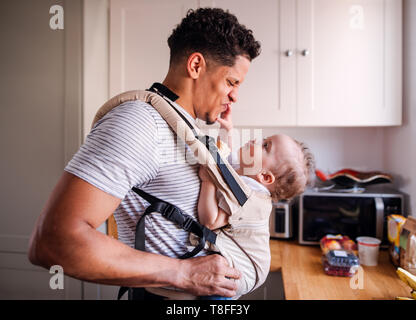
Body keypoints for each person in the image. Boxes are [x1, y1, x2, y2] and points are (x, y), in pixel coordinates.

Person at [28, 7, 261, 299]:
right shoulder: (140, 122)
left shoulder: (185, 130)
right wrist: (185, 273)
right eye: (231, 82)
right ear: (196, 65)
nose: (235, 96)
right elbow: (52, 241)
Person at [194, 114, 315, 300]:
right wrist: (227, 130)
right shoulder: (248, 175)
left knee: (212, 292)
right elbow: (223, 157)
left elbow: (210, 221)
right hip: (244, 265)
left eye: (265, 146)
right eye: (264, 140)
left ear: (265, 177)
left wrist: (207, 180)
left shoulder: (250, 196)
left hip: (245, 270)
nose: (256, 140)